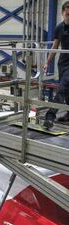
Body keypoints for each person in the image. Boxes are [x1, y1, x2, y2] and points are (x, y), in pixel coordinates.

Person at [43, 1, 69, 129]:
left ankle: (49, 117)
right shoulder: (59, 27)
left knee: (62, 88)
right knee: (67, 91)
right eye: (68, 14)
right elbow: (55, 46)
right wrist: (47, 62)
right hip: (63, 63)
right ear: (63, 13)